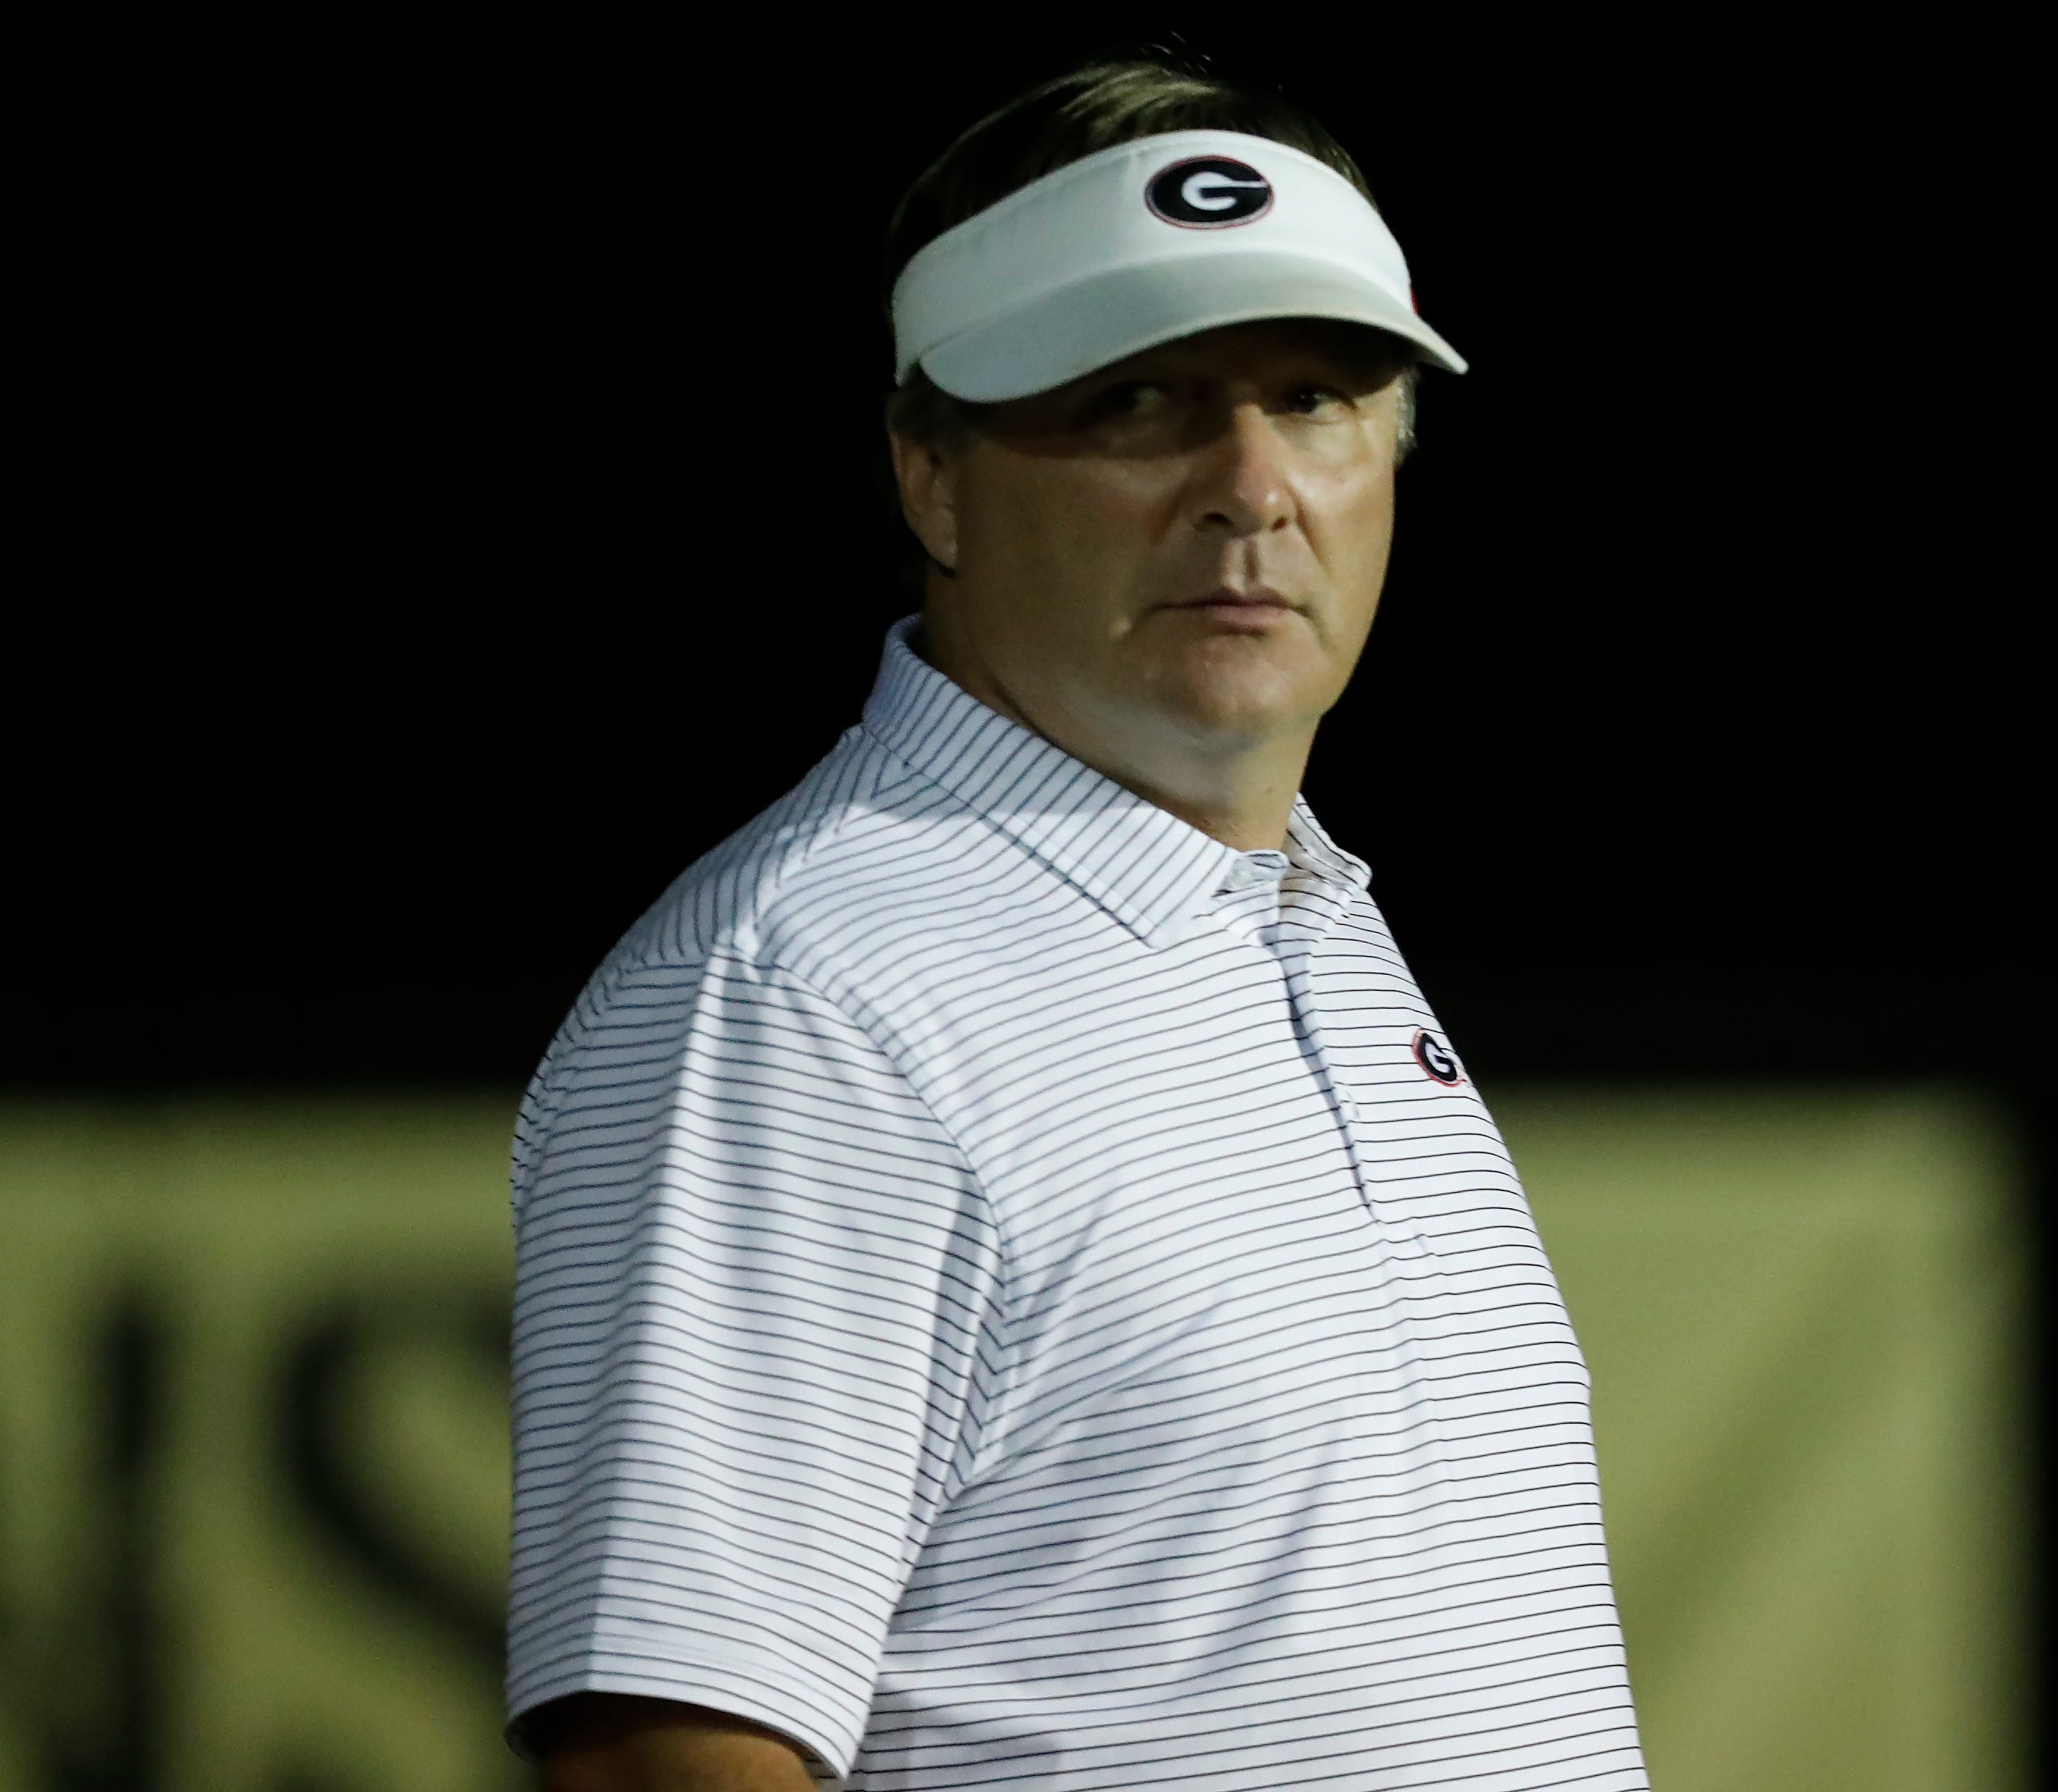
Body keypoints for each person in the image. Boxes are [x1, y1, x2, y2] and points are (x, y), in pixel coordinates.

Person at [505, 58, 1648, 1790]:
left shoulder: (1304, 921)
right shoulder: (799, 996)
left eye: (1319, 397)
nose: (1250, 484)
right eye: (1136, 400)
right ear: (928, 475)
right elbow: (670, 1755)